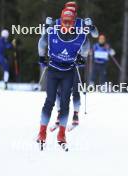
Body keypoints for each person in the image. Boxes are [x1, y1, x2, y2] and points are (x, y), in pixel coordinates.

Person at [38, 1, 98, 132]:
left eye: (73, 11)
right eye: (68, 10)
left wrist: (92, 27)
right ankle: (60, 114)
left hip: (75, 60)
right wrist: (46, 27)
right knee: (59, 91)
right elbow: (45, 36)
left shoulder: (81, 22)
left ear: (76, 13)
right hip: (59, 61)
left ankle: (75, 114)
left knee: (75, 88)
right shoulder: (58, 21)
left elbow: (94, 36)